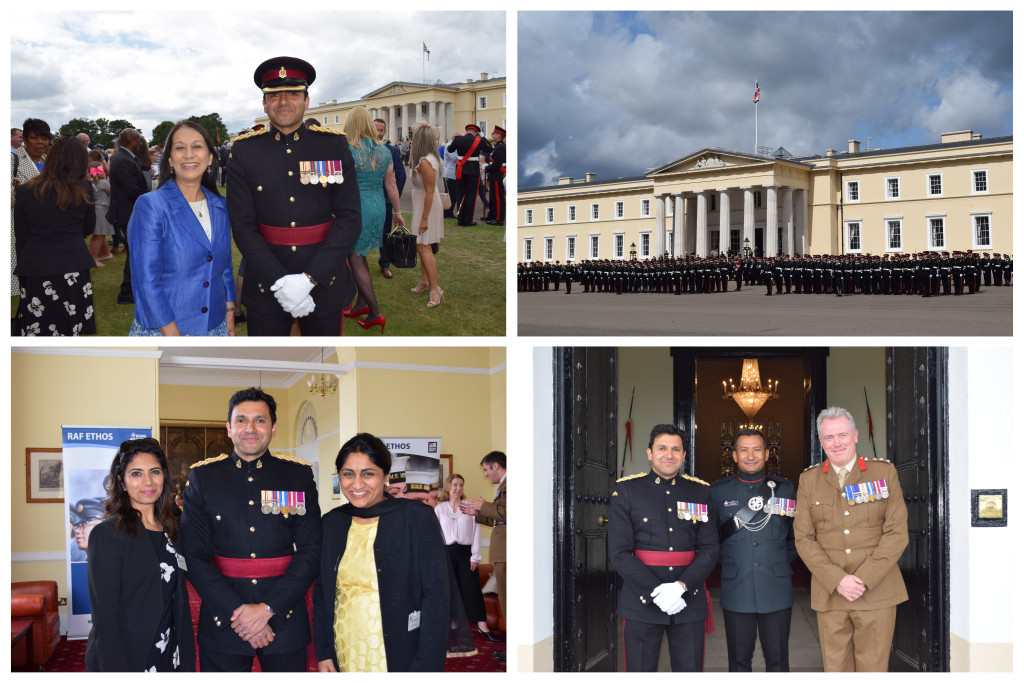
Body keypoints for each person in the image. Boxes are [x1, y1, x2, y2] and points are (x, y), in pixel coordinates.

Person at [180, 387, 322, 672]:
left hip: (284, 618)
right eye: (242, 420)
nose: (251, 428)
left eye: (260, 420)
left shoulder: (297, 476)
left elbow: (311, 551)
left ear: (273, 427)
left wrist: (268, 609)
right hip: (225, 622)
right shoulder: (203, 478)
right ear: (229, 428)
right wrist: (241, 615)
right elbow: (193, 555)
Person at [228, 56, 362, 336]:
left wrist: (310, 278)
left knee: (323, 359)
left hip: (325, 278)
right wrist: (278, 281)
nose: (283, 101)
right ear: (264, 104)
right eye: (274, 95)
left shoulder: (332, 146)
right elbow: (241, 224)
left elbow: (349, 218)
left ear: (307, 100)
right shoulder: (244, 152)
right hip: (266, 283)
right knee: (267, 362)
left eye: (292, 93)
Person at [313, 433, 450, 672]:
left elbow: (436, 598)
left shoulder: (414, 517)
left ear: (386, 476)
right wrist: (324, 652)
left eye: (368, 473)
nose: (357, 484)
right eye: (348, 474)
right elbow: (324, 591)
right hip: (345, 647)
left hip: (397, 650)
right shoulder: (332, 523)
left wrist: (427, 667)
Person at [794, 406, 909, 672]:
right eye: (829, 437)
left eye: (842, 435)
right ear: (821, 442)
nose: (837, 443)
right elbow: (804, 539)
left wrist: (863, 579)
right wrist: (838, 580)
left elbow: (896, 532)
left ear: (855, 435)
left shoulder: (883, 473)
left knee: (873, 669)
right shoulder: (808, 480)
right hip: (831, 593)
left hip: (877, 592)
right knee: (835, 670)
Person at [607, 424, 719, 672]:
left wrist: (681, 587)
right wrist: (658, 591)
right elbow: (619, 553)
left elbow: (710, 548)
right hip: (641, 600)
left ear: (684, 455)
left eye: (676, 449)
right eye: (662, 448)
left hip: (688, 599)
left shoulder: (700, 492)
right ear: (649, 453)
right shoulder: (627, 491)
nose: (669, 455)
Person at [84, 438, 196, 671]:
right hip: (129, 655)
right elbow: (105, 618)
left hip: (170, 651)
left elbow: (179, 598)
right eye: (136, 473)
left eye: (154, 471)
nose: (148, 481)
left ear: (164, 477)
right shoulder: (107, 535)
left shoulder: (173, 531)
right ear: (122, 482)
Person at [127, 121, 236, 336]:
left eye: (196, 147)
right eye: (180, 147)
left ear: (210, 157)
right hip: (166, 329)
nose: (188, 155)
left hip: (216, 326)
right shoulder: (151, 206)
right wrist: (173, 337)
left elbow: (225, 267)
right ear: (169, 159)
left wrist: (230, 312)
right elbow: (146, 280)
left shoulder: (220, 205)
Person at [709, 428, 797, 671]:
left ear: (767, 454)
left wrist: (777, 561)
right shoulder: (717, 492)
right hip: (737, 588)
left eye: (757, 449)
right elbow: (709, 540)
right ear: (734, 456)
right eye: (743, 450)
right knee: (738, 662)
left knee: (778, 662)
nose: (750, 455)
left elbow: (797, 536)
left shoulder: (786, 489)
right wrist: (733, 563)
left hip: (776, 587)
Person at [13, 135, 97, 336]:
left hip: (36, 267)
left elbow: (21, 235)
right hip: (73, 267)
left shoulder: (25, 191)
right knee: (72, 326)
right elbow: (88, 227)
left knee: (38, 328)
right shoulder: (83, 189)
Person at [342, 106, 405, 333]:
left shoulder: (348, 149)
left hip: (357, 207)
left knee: (355, 258)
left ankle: (376, 312)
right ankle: (362, 303)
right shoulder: (385, 151)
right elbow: (391, 183)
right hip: (378, 207)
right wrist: (397, 212)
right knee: (360, 254)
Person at [435, 473, 500, 642]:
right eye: (455, 485)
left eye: (461, 485)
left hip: (466, 554)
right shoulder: (440, 509)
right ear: (448, 487)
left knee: (472, 590)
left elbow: (476, 533)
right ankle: (453, 625)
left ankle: (482, 626)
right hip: (446, 554)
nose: (458, 488)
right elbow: (435, 535)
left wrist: (475, 557)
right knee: (450, 591)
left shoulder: (469, 506)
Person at [460, 450, 507, 662]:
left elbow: (509, 513)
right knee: (507, 601)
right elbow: (499, 519)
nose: (486, 475)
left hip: (506, 550)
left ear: (496, 466)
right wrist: (477, 513)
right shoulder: (503, 486)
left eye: (486, 470)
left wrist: (483, 506)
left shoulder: (510, 484)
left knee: (509, 601)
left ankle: (513, 649)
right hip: (502, 550)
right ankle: (511, 648)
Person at [108, 128, 150, 304]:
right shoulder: (123, 159)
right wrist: (149, 201)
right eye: (139, 140)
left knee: (136, 251)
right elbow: (131, 189)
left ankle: (131, 288)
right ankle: (127, 292)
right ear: (131, 141)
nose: (140, 144)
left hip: (129, 210)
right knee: (135, 251)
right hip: (128, 211)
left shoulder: (124, 157)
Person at [408, 121, 445, 307]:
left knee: (424, 246)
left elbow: (430, 191)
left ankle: (435, 289)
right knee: (421, 244)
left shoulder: (425, 161)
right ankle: (424, 280)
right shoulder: (427, 157)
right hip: (422, 203)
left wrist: (424, 218)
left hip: (427, 206)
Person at [373, 117, 405, 280]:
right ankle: (358, 264)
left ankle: (384, 263)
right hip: (366, 200)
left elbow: (400, 175)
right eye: (376, 129)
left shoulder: (391, 151)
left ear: (385, 132)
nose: (378, 133)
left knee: (385, 234)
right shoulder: (361, 150)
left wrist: (393, 198)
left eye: (381, 130)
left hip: (385, 201)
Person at [446, 124, 491, 226]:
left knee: (460, 194)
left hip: (460, 170)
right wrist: (483, 137)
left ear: (466, 131)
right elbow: (489, 149)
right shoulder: (479, 140)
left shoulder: (458, 139)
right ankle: (468, 220)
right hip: (473, 171)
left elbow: (450, 150)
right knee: (471, 195)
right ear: (476, 133)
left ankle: (460, 218)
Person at [484, 126, 505, 226]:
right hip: (494, 175)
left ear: (499, 135)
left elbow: (497, 164)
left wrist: (487, 168)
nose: (492, 134)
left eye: (494, 133)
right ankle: (492, 216)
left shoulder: (500, 147)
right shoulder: (497, 146)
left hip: (497, 175)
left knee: (498, 198)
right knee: (493, 197)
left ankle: (498, 219)